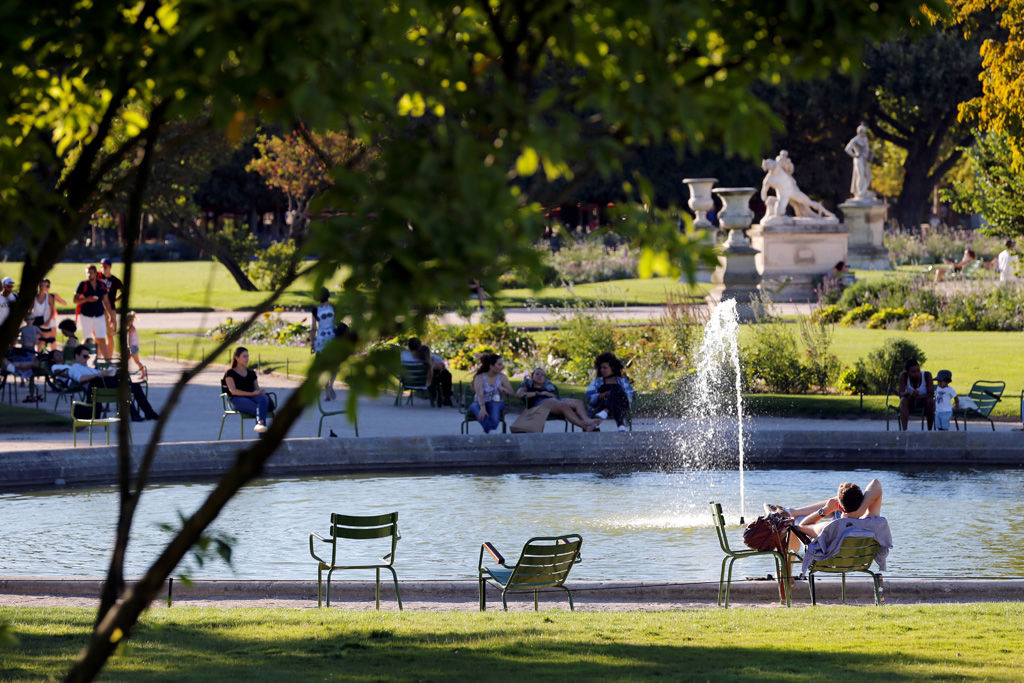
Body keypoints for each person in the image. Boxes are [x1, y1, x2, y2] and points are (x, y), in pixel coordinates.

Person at [60, 344, 160, 421]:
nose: (87, 359)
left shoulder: (88, 368)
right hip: (97, 387)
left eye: (88, 357)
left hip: (106, 383)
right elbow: (81, 379)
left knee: (135, 386)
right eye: (85, 356)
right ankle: (134, 414)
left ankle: (149, 413)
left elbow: (102, 374)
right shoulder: (74, 369)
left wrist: (111, 370)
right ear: (76, 356)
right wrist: (99, 374)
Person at [785, 479, 884, 548]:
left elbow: (802, 525)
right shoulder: (870, 522)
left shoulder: (829, 528)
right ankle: (792, 511)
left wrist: (825, 510)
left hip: (832, 562)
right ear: (863, 502)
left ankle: (787, 571)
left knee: (796, 521)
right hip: (860, 561)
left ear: (840, 507)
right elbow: (875, 483)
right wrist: (859, 512)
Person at [516, 367, 601, 432]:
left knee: (578, 402)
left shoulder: (548, 387)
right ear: (532, 376)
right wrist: (539, 393)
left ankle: (586, 420)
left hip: (553, 402)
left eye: (542, 375)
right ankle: (585, 427)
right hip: (538, 403)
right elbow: (519, 395)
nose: (540, 376)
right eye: (537, 374)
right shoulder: (527, 385)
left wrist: (550, 395)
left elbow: (555, 400)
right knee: (563, 405)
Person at [223, 347, 271, 433]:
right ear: (236, 358)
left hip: (252, 397)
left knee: (263, 398)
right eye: (244, 356)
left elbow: (257, 389)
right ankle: (263, 435)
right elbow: (233, 391)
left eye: (248, 356)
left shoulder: (251, 373)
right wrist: (252, 394)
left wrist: (260, 392)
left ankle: (260, 423)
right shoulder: (230, 373)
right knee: (260, 409)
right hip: (236, 399)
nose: (247, 359)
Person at [585, 351, 636, 432]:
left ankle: (606, 411)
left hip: (622, 403)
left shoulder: (622, 382)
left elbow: (630, 396)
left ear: (612, 368)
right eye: (601, 368)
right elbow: (589, 396)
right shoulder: (597, 382)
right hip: (603, 403)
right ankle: (620, 425)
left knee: (617, 389)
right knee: (616, 401)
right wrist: (603, 395)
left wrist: (614, 394)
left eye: (605, 368)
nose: (602, 370)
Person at [74, 264, 114, 363]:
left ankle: (107, 362)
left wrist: (110, 316)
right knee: (87, 338)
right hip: (86, 315)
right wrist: (87, 299)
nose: (89, 275)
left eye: (91, 273)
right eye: (87, 272)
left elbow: (106, 301)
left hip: (99, 315)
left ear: (96, 274)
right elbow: (75, 300)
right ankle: (82, 360)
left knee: (101, 339)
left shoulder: (102, 285)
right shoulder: (83, 284)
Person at [468, 353, 514, 434]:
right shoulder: (480, 377)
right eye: (499, 364)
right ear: (491, 366)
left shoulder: (502, 377)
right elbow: (480, 394)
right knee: (475, 407)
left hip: (496, 402)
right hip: (479, 402)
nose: (502, 367)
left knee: (495, 406)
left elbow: (511, 394)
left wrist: (504, 389)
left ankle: (489, 430)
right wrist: (482, 408)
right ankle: (491, 431)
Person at [310, 288, 337, 401]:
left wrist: (312, 344)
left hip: (321, 339)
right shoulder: (334, 308)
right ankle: (331, 384)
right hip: (332, 338)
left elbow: (313, 328)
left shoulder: (315, 310)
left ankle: (327, 394)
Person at [898, 357, 934, 430]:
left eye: (918, 370)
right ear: (908, 373)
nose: (917, 373)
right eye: (913, 372)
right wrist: (909, 392)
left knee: (930, 401)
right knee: (903, 400)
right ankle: (905, 431)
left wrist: (918, 397)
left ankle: (929, 430)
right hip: (910, 401)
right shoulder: (904, 376)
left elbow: (931, 394)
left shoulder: (927, 375)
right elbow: (900, 394)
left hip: (924, 401)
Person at [32, 279, 67, 351]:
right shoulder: (37, 297)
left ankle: (53, 353)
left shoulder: (51, 296)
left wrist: (57, 298)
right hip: (41, 320)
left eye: (47, 286)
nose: (46, 288)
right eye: (44, 286)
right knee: (41, 341)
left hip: (51, 319)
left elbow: (64, 303)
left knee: (52, 340)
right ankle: (42, 353)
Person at [99, 258, 124, 346]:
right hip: (98, 309)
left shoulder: (115, 281)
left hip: (111, 309)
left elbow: (124, 291)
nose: (103, 269)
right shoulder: (97, 278)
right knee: (97, 336)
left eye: (105, 267)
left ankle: (108, 358)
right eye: (101, 266)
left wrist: (116, 299)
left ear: (110, 267)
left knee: (110, 335)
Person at [125, 312, 146, 380]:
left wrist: (116, 332)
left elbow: (125, 332)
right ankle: (124, 373)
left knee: (137, 361)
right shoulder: (130, 327)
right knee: (126, 360)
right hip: (131, 347)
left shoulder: (132, 328)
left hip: (134, 347)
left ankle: (143, 373)